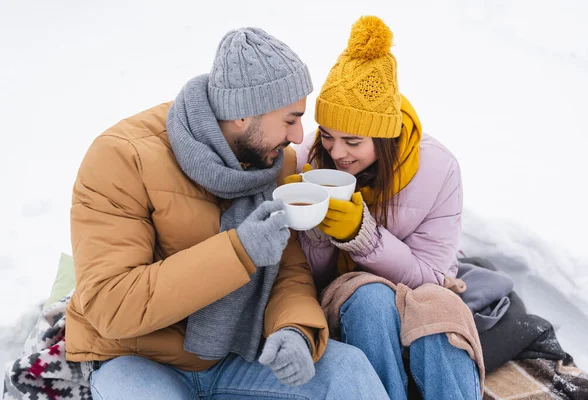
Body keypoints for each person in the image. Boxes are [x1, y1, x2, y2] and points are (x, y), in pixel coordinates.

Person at [66, 26, 388, 399]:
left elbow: (287, 268)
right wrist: (238, 252)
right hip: (136, 357)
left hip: (235, 353)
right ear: (242, 115)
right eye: (290, 119)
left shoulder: (274, 162)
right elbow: (112, 304)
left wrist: (295, 330)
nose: (299, 137)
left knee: (347, 372)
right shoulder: (123, 157)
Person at [288, 16, 481, 400]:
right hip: (345, 299)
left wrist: (363, 238)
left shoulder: (438, 169)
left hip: (422, 287)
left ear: (385, 135)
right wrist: (314, 228)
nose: (336, 152)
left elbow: (436, 275)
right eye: (328, 135)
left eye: (353, 141)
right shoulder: (306, 161)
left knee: (440, 308)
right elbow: (300, 280)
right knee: (369, 297)